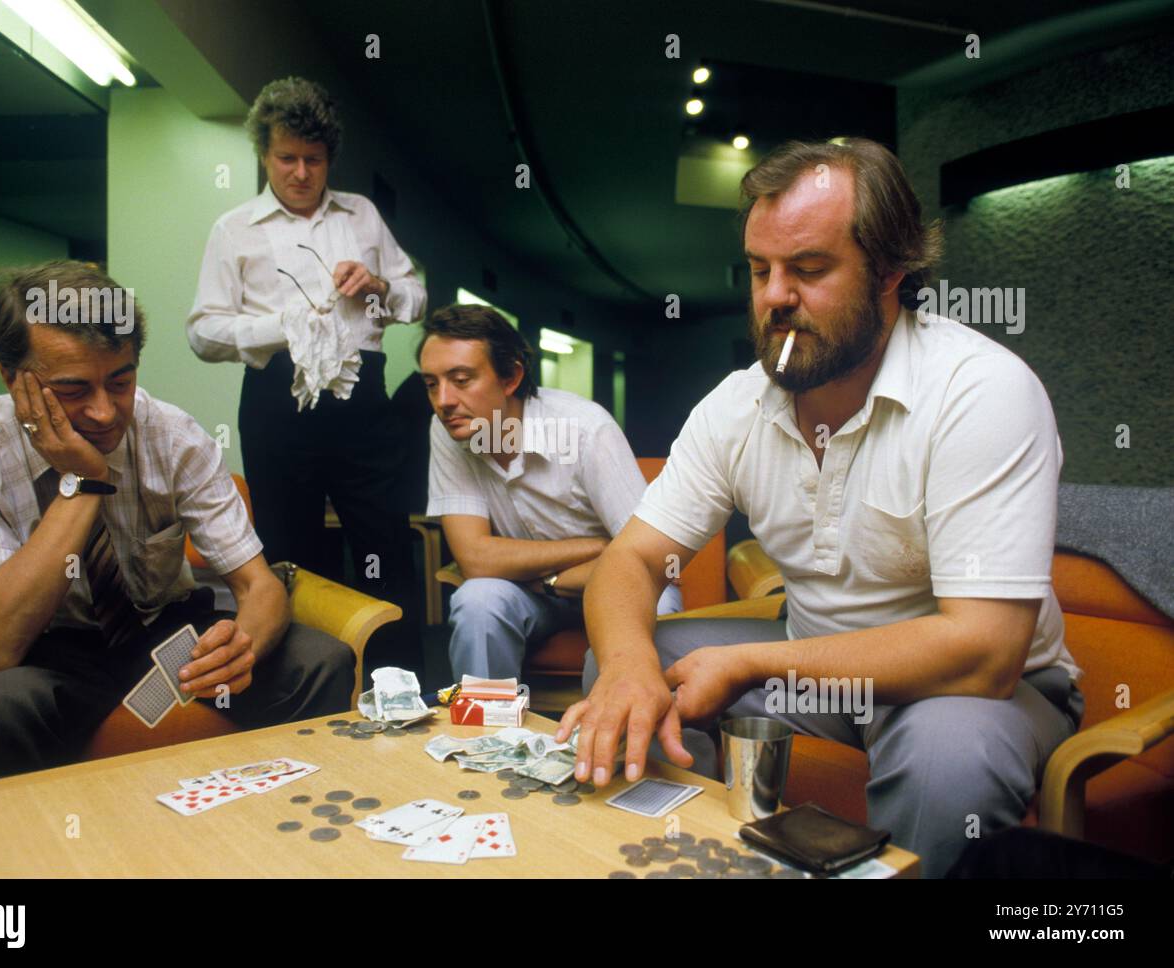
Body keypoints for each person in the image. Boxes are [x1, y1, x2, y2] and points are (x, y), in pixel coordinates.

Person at [555, 139, 1083, 878]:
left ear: (892, 271)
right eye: (759, 269)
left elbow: (986, 650)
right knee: (624, 672)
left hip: (977, 686)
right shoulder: (738, 405)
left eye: (808, 269)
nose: (774, 296)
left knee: (945, 759)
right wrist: (628, 666)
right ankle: (698, 864)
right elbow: (633, 559)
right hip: (813, 667)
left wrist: (748, 661)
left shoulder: (981, 391)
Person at [0, 260, 354, 786]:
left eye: (120, 382)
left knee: (319, 659)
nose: (105, 414)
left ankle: (274, 841)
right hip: (45, 653)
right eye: (74, 391)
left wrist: (244, 645)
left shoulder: (173, 436)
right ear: (12, 378)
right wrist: (85, 483)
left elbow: (259, 586)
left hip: (161, 633)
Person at [187, 76, 427, 681]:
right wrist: (282, 327)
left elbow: (417, 297)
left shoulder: (363, 215)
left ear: (330, 160)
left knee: (385, 545)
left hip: (362, 398)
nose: (300, 172)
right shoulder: (233, 228)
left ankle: (402, 691)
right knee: (288, 549)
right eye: (286, 158)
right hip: (276, 400)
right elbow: (202, 333)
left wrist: (378, 287)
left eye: (313, 160)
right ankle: (302, 689)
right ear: (265, 155)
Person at [420, 304, 681, 682]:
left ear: (510, 377)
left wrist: (550, 579)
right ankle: (486, 733)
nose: (443, 400)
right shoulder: (447, 428)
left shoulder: (585, 430)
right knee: (476, 600)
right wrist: (595, 547)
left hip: (622, 581)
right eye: (431, 384)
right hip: (535, 593)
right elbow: (475, 557)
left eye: (461, 380)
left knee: (661, 620)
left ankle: (626, 735)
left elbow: (649, 558)